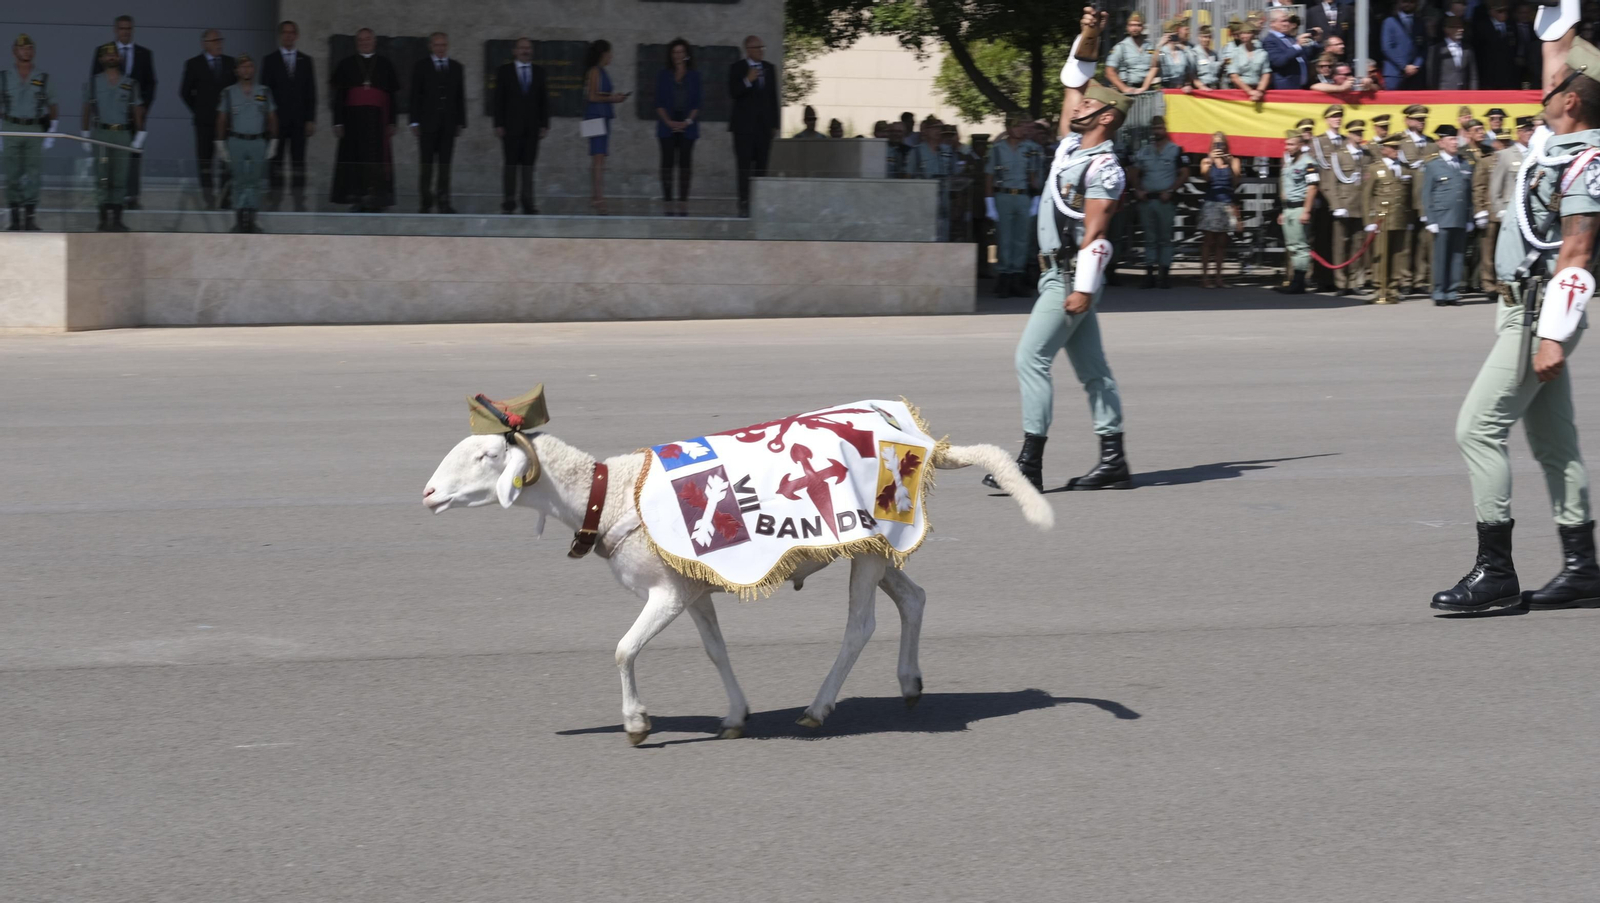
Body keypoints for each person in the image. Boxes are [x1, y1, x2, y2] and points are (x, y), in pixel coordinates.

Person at [1431, 23, 1600, 612]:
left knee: (1476, 428)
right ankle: (1583, 567)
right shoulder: (1556, 144)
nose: (1542, 85)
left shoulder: (1588, 161)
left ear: (1572, 99)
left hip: (1539, 313)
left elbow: (1576, 253)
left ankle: (1495, 573)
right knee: (1556, 443)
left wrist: (1551, 335)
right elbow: (1558, 44)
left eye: (1551, 83)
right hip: (1524, 308)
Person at [983, 7, 1132, 494]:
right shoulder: (1072, 146)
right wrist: (1089, 32)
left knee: (1030, 359)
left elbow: (1097, 231)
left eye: (1088, 103)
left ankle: (1029, 464)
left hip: (1069, 276)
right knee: (1094, 371)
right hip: (1061, 274)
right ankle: (1114, 460)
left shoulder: (1104, 167)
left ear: (1106, 116)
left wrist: (1083, 288)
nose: (1077, 104)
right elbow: (1077, 73)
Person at [330, 28, 399, 212]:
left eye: (367, 39)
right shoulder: (346, 64)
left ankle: (377, 198)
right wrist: (338, 122)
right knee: (354, 156)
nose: (364, 42)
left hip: (378, 121)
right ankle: (357, 197)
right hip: (353, 121)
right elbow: (339, 96)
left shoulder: (385, 64)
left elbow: (391, 97)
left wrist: (392, 121)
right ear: (356, 42)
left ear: (374, 41)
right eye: (360, 40)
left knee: (376, 158)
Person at [90, 16, 155, 209]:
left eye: (128, 28)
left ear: (132, 29)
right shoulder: (102, 52)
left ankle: (131, 196)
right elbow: (94, 83)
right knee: (106, 159)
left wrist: (142, 108)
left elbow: (151, 83)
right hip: (108, 115)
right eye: (122, 28)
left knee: (133, 155)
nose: (125, 32)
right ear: (115, 30)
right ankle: (107, 200)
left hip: (135, 115)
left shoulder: (144, 53)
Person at [82, 42, 145, 232]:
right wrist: (84, 133)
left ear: (120, 58)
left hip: (122, 134)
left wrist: (141, 133)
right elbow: (87, 108)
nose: (111, 57)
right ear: (101, 59)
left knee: (120, 177)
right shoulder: (93, 82)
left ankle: (117, 219)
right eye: (107, 55)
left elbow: (137, 109)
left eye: (114, 55)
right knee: (102, 177)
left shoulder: (131, 83)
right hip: (100, 132)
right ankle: (102, 219)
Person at [214, 54, 275, 233]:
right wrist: (219, 142)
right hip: (236, 141)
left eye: (249, 66)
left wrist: (274, 140)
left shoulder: (264, 91)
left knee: (255, 182)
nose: (246, 70)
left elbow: (271, 116)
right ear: (237, 71)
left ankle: (252, 220)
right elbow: (222, 118)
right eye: (243, 67)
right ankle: (240, 220)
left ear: (253, 69)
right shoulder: (228, 92)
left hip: (258, 141)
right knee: (239, 181)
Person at [3, 34, 58, 232]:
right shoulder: (4, 76)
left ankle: (30, 218)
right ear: (15, 51)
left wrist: (52, 130)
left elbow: (52, 104)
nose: (26, 51)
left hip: (35, 128)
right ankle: (15, 219)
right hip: (11, 128)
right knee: (12, 174)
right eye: (22, 48)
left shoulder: (43, 77)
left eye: (29, 48)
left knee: (34, 174)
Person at [259, 21, 315, 212]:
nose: (289, 36)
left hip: (299, 121)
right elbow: (262, 93)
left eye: (292, 33)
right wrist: (266, 118)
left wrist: (310, 119)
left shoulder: (306, 61)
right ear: (280, 35)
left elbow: (311, 93)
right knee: (276, 162)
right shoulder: (270, 60)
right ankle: (275, 199)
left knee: (299, 162)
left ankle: (299, 200)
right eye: (285, 33)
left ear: (297, 35)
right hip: (276, 122)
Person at [407, 33, 465, 215]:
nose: (440, 48)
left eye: (443, 45)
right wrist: (414, 121)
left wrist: (461, 121)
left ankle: (444, 201)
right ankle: (426, 202)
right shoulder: (421, 66)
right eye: (437, 45)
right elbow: (415, 95)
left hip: (448, 124)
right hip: (427, 123)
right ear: (431, 46)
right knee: (426, 165)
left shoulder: (456, 67)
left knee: (445, 166)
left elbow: (459, 96)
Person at [985, 117, 1042, 298]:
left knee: (1022, 238)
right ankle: (1004, 277)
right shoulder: (997, 149)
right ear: (1008, 128)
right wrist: (989, 203)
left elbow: (1034, 176)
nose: (1021, 129)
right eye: (1018, 125)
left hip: (1023, 196)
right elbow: (989, 176)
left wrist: (1036, 199)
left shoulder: (1031, 149)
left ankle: (1017, 276)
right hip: (1003, 195)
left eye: (1024, 125)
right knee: (1004, 237)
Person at [1312, 105, 1365, 296]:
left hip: (1345, 197)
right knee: (1324, 241)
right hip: (1323, 197)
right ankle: (1322, 279)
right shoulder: (1318, 142)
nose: (1337, 119)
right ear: (1326, 119)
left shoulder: (1346, 141)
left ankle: (1343, 281)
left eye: (1340, 116)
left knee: (1343, 242)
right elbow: (1314, 170)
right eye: (1333, 116)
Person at [180, 29, 235, 209]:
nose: (219, 43)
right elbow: (184, 92)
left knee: (226, 161)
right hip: (204, 122)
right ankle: (209, 199)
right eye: (215, 40)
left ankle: (226, 197)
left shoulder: (230, 63)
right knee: (205, 161)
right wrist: (199, 109)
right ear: (205, 44)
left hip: (226, 123)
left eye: (221, 39)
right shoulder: (194, 64)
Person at [492, 37, 548, 215]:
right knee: (510, 165)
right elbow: (498, 100)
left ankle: (528, 202)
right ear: (514, 51)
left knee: (528, 166)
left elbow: (544, 100)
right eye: (522, 48)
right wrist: (498, 123)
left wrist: (545, 123)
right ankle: (509, 202)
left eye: (528, 48)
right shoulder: (504, 71)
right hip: (510, 127)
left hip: (532, 128)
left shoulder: (539, 72)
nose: (526, 51)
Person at [1130, 115, 1187, 288]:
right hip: (1147, 200)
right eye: (1154, 128)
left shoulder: (1176, 150)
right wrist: (1137, 189)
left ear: (1166, 129)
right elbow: (1133, 172)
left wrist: (1171, 190)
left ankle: (1164, 275)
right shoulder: (1144, 151)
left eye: (1160, 128)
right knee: (1149, 239)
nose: (1157, 131)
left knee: (1165, 239)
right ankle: (1149, 275)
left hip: (1165, 200)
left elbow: (1184, 173)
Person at [1422, 125, 1474, 307]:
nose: (1455, 142)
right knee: (1441, 256)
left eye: (1455, 139)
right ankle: (1438, 291)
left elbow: (1469, 194)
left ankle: (1452, 291)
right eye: (1451, 139)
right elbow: (1427, 193)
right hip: (1441, 217)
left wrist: (1470, 218)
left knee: (1457, 256)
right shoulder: (1433, 165)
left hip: (1460, 216)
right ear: (1440, 143)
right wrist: (1430, 219)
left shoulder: (1465, 163)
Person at [728, 35, 779, 218]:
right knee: (743, 167)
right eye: (757, 48)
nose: (761, 50)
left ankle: (760, 201)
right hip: (743, 128)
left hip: (764, 128)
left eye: (762, 47)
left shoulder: (769, 68)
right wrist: (747, 80)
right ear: (748, 50)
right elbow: (733, 92)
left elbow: (773, 98)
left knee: (762, 167)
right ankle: (744, 202)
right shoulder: (738, 68)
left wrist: (775, 124)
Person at [1362, 133, 1414, 304]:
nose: (1396, 151)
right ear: (1384, 150)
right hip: (1381, 218)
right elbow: (1366, 196)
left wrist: (1410, 217)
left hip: (1399, 216)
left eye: (1398, 148)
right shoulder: (1375, 169)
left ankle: (1393, 288)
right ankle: (1379, 288)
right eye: (1393, 148)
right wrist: (1368, 222)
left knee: (1397, 254)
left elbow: (1408, 195)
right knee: (1381, 253)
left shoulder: (1404, 168)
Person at [654, 37, 701, 217]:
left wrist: (686, 122)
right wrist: (669, 122)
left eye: (681, 52)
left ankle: (683, 201)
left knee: (685, 164)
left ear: (687, 54)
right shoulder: (663, 75)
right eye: (674, 52)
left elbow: (697, 103)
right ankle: (667, 201)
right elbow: (658, 102)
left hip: (688, 125)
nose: (678, 55)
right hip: (667, 124)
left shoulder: (695, 75)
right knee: (667, 163)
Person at [582, 40, 628, 215]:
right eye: (610, 53)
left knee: (599, 158)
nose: (611, 56)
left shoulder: (602, 71)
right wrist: (612, 99)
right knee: (598, 158)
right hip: (595, 116)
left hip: (602, 116)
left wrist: (613, 97)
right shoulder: (594, 71)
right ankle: (598, 197)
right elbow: (592, 96)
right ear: (603, 54)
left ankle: (596, 195)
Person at [1397, 104, 1435, 295]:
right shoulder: (1399, 141)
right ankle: (1405, 279)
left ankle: (1420, 279)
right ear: (1408, 120)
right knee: (1405, 241)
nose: (1422, 122)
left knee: (1423, 241)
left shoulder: (1431, 142)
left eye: (1423, 119)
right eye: (1418, 119)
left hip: (1425, 198)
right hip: (1406, 198)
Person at [1276, 130, 1320, 295]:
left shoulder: (1308, 163)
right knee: (1292, 246)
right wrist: (1283, 210)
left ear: (1301, 146)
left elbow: (1312, 187)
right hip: (1289, 208)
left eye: (1292, 144)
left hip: (1300, 208)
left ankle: (1299, 282)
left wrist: (1306, 211)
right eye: (1287, 144)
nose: (1288, 147)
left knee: (1300, 246)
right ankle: (1294, 279)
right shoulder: (1289, 162)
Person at [1197, 132, 1240, 289]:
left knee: (1222, 243)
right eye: (1215, 144)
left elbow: (1236, 181)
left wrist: (1229, 163)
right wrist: (1210, 160)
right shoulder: (1206, 160)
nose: (1218, 147)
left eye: (1221, 144)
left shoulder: (1234, 160)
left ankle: (1219, 277)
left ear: (1226, 145)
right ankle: (1205, 277)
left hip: (1226, 204)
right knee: (1208, 242)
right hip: (1211, 203)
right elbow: (1205, 178)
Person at [1263, 9, 1319, 89]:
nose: (1287, 24)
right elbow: (1278, 61)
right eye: (1283, 21)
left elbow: (1308, 56)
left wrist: (1315, 41)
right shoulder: (1269, 40)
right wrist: (1297, 46)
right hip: (1285, 87)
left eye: (1288, 21)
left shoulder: (1290, 38)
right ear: (1273, 23)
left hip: (1302, 85)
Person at [1104, 13, 1157, 95]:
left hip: (1147, 90)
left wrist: (1145, 87)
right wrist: (1124, 89)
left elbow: (1155, 66)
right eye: (1131, 25)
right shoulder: (1121, 47)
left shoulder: (1150, 46)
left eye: (1138, 25)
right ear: (1127, 28)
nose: (1135, 28)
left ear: (1143, 27)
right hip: (1128, 91)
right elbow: (1109, 71)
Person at [1475, 0, 1522, 89]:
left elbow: (1516, 44)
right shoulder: (1482, 26)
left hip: (1509, 72)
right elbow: (1479, 50)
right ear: (1491, 12)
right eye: (1500, 11)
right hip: (1489, 72)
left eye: (1505, 11)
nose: (1503, 14)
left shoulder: (1511, 24)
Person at [1381, 0, 1427, 89]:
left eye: (1411, 2)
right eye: (1404, 1)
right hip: (1394, 73)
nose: (1408, 4)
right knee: (1393, 102)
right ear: (1399, 3)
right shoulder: (1389, 22)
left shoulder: (1420, 22)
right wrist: (1404, 66)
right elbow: (1387, 48)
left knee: (1415, 102)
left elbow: (1424, 48)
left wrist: (1416, 66)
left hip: (1415, 74)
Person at [1428, 17, 1480, 89]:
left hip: (1464, 93)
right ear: (1447, 29)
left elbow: (1473, 76)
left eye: (1461, 27)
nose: (1461, 30)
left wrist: (1473, 94)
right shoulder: (1436, 49)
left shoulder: (1467, 49)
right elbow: (1432, 76)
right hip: (1444, 92)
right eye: (1456, 27)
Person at [1226, 20, 1272, 100]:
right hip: (1241, 92)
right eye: (1242, 33)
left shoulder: (1262, 53)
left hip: (1258, 91)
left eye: (1248, 33)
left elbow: (1266, 74)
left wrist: (1259, 91)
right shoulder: (1235, 53)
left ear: (1253, 34)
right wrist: (1249, 91)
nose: (1245, 36)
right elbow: (1234, 76)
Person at [1156, 20, 1196, 90]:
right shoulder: (1163, 51)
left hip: (1181, 89)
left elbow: (1189, 70)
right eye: (1171, 35)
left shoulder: (1184, 51)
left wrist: (1188, 84)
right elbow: (1154, 61)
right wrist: (1159, 45)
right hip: (1167, 89)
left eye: (1176, 35)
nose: (1174, 38)